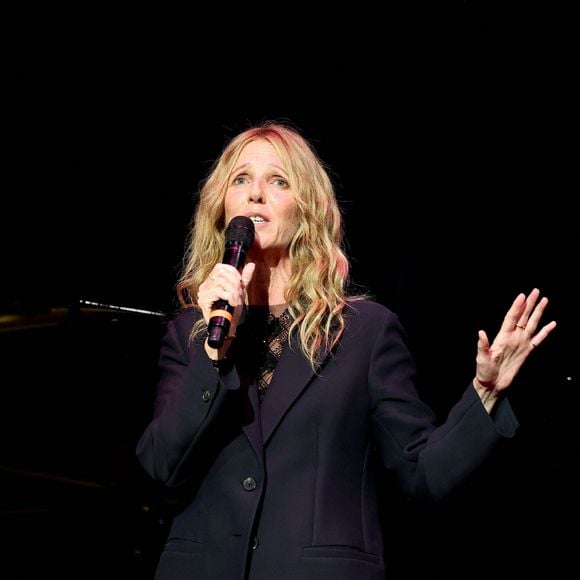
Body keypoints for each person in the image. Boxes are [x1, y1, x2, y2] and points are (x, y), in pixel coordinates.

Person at [135, 121, 557, 580]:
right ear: (221, 207)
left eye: (278, 180)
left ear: (307, 209)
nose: (256, 193)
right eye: (241, 179)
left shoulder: (364, 333)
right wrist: (214, 357)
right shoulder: (189, 333)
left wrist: (486, 394)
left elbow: (422, 475)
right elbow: (161, 469)